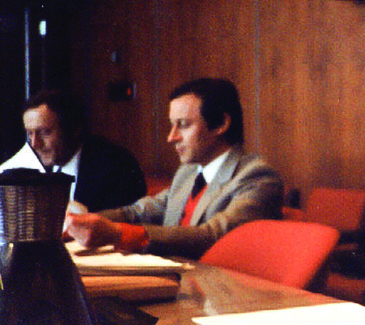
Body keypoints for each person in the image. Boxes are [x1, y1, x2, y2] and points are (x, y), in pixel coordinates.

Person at [66, 78, 285, 259]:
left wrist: (117, 233)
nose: (171, 137)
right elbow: (139, 211)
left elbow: (214, 235)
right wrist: (77, 222)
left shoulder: (257, 177)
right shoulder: (189, 172)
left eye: (184, 124)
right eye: (173, 125)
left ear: (220, 124)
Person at [0, 89, 146, 215]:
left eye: (44, 132)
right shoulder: (36, 163)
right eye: (30, 134)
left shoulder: (114, 164)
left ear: (74, 129)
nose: (34, 144)